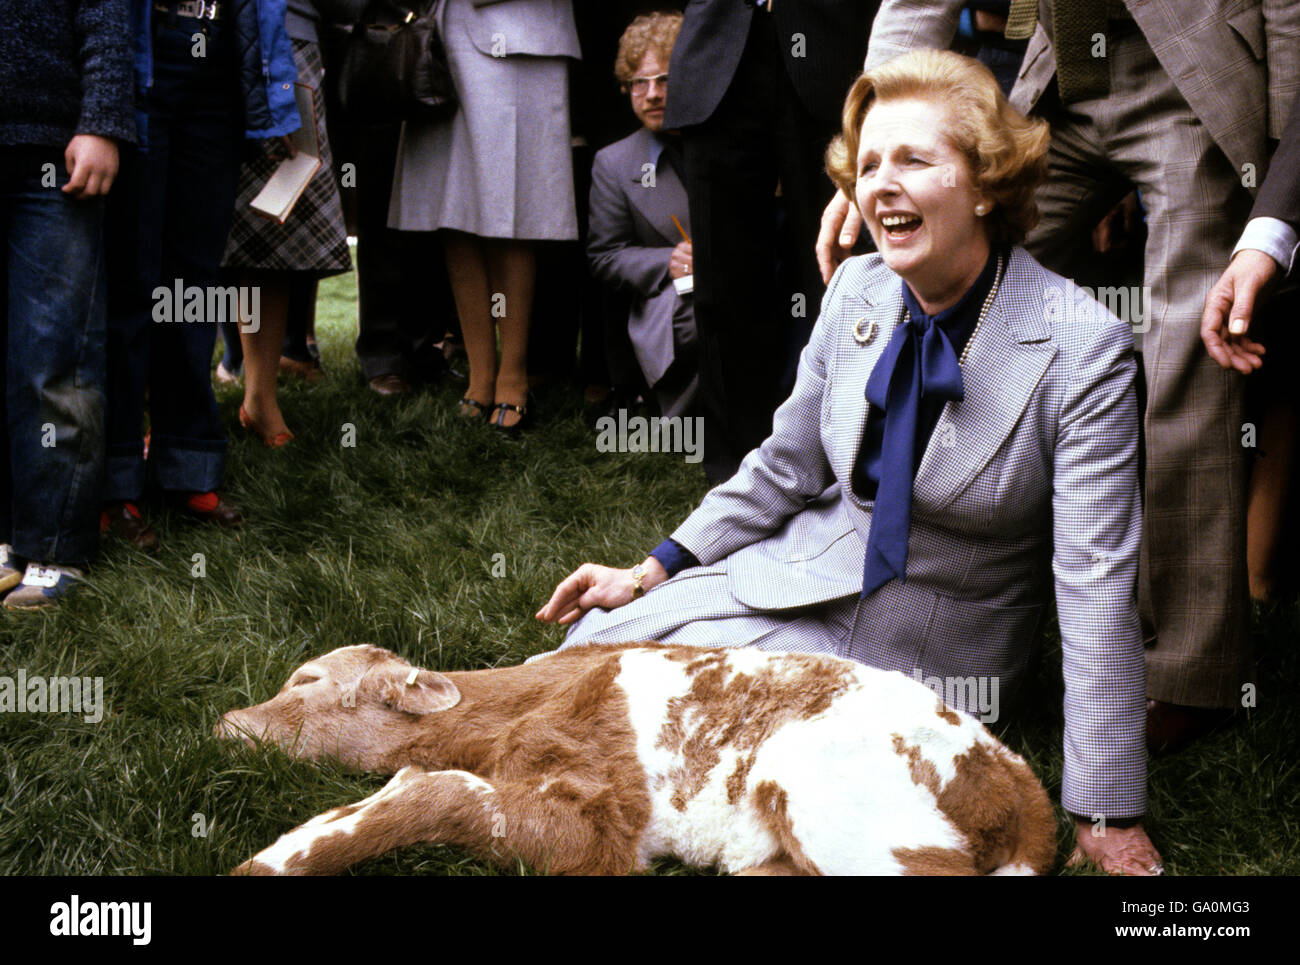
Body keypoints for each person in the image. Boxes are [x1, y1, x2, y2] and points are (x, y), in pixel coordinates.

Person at [539, 50, 1161, 876]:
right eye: (868, 165)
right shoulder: (856, 290)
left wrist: (1107, 807)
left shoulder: (1086, 350)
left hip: (937, 656)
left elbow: (1094, 584)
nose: (881, 185)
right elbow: (784, 464)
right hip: (802, 574)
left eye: (913, 159)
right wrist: (651, 570)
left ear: (984, 185)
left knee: (711, 743)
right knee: (593, 646)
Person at [817, 0, 1300, 754]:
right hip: (1062, 82)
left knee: (1188, 350)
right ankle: (932, 597)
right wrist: (871, 162)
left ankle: (1188, 673)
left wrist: (1275, 173)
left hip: (1190, 79)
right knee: (957, 267)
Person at [101, 0, 301, 546]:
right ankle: (114, 485)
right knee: (131, 284)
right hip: (141, 49)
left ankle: (187, 469)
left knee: (193, 288)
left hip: (218, 58)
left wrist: (278, 103)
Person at [662, 0, 878, 481]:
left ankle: (849, 462)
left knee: (841, 274)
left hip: (832, 51)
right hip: (720, 55)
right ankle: (734, 480)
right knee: (722, 284)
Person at [388, 0, 582, 432]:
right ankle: (480, 375)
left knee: (511, 214)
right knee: (455, 212)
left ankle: (513, 377)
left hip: (519, 39)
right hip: (443, 36)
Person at [0, 0, 135, 608]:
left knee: (55, 354)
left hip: (51, 154)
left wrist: (102, 121)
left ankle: (56, 548)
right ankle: (5, 541)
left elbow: (105, 18)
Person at [221, 0, 358, 447]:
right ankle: (158, 410)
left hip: (289, 39)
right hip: (194, 32)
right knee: (179, 219)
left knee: (274, 222)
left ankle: (260, 398)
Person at [587, 12, 698, 419]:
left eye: (666, 80)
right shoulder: (614, 162)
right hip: (670, 300)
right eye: (640, 82)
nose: (652, 94)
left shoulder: (727, 146)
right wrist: (666, 262)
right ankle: (682, 418)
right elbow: (606, 255)